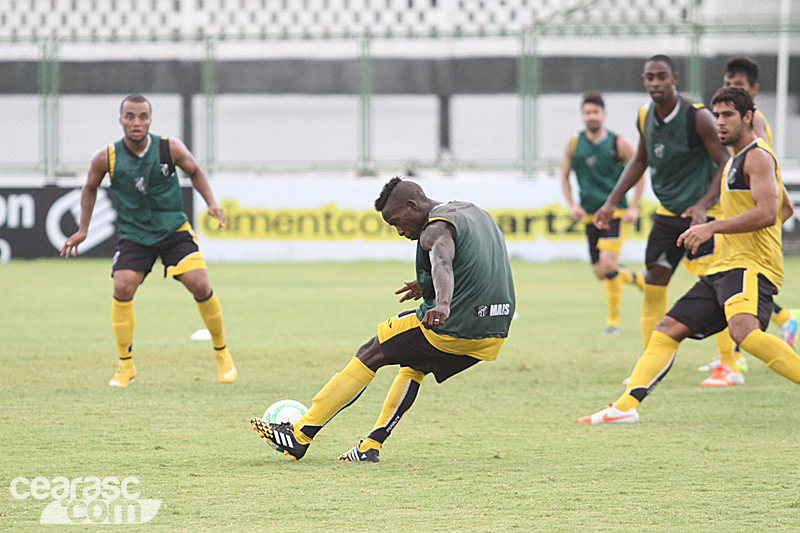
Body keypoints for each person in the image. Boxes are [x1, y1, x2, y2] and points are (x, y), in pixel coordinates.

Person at [250, 177, 515, 461]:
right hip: (493, 332)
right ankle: (370, 447)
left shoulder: (434, 229)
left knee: (371, 352)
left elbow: (442, 261)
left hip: (452, 324)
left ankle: (300, 434)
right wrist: (426, 284)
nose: (399, 231)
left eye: (397, 222)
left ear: (413, 206)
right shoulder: (474, 212)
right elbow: (474, 261)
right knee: (415, 365)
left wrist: (442, 303)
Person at [579, 87, 800, 424]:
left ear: (748, 117)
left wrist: (715, 228)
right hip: (724, 267)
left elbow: (770, 212)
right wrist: (742, 234)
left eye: (728, 115)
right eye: (717, 115)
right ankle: (624, 407)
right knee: (667, 329)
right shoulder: (734, 160)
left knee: (744, 333)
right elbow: (784, 208)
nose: (720, 122)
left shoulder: (757, 156)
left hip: (749, 267)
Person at [60, 94, 237, 387]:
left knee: (200, 284)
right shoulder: (107, 157)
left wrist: (211, 204)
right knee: (122, 286)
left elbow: (195, 172)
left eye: (142, 116)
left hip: (173, 230)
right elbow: (90, 187)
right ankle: (125, 366)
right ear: (121, 120)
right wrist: (83, 229)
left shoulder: (169, 148)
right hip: (135, 235)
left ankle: (222, 353)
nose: (136, 122)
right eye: (130, 116)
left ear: (150, 120)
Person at [593, 54, 732, 369]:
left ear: (674, 79)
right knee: (654, 282)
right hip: (668, 214)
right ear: (644, 81)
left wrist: (703, 204)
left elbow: (725, 162)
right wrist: (612, 202)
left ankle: (729, 365)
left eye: (662, 76)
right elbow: (640, 161)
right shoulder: (645, 115)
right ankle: (651, 364)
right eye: (650, 77)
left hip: (703, 217)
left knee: (717, 285)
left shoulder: (698, 117)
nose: (656, 83)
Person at [696, 57, 798, 381]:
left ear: (753, 91)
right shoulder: (734, 144)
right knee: (723, 301)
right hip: (737, 245)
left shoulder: (755, 139)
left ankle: (733, 360)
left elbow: (773, 207)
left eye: (738, 86)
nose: (731, 89)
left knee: (738, 313)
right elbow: (783, 206)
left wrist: (753, 238)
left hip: (750, 257)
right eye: (728, 83)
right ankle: (733, 356)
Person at [560, 92, 645, 335]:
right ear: (582, 116)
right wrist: (572, 205)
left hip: (614, 214)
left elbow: (640, 171)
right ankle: (639, 279)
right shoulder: (574, 143)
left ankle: (612, 322)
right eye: (588, 112)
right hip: (589, 215)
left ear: (604, 115)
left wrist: (634, 207)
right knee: (600, 272)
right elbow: (564, 175)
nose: (592, 116)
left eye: (596, 112)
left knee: (608, 264)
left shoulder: (619, 143)